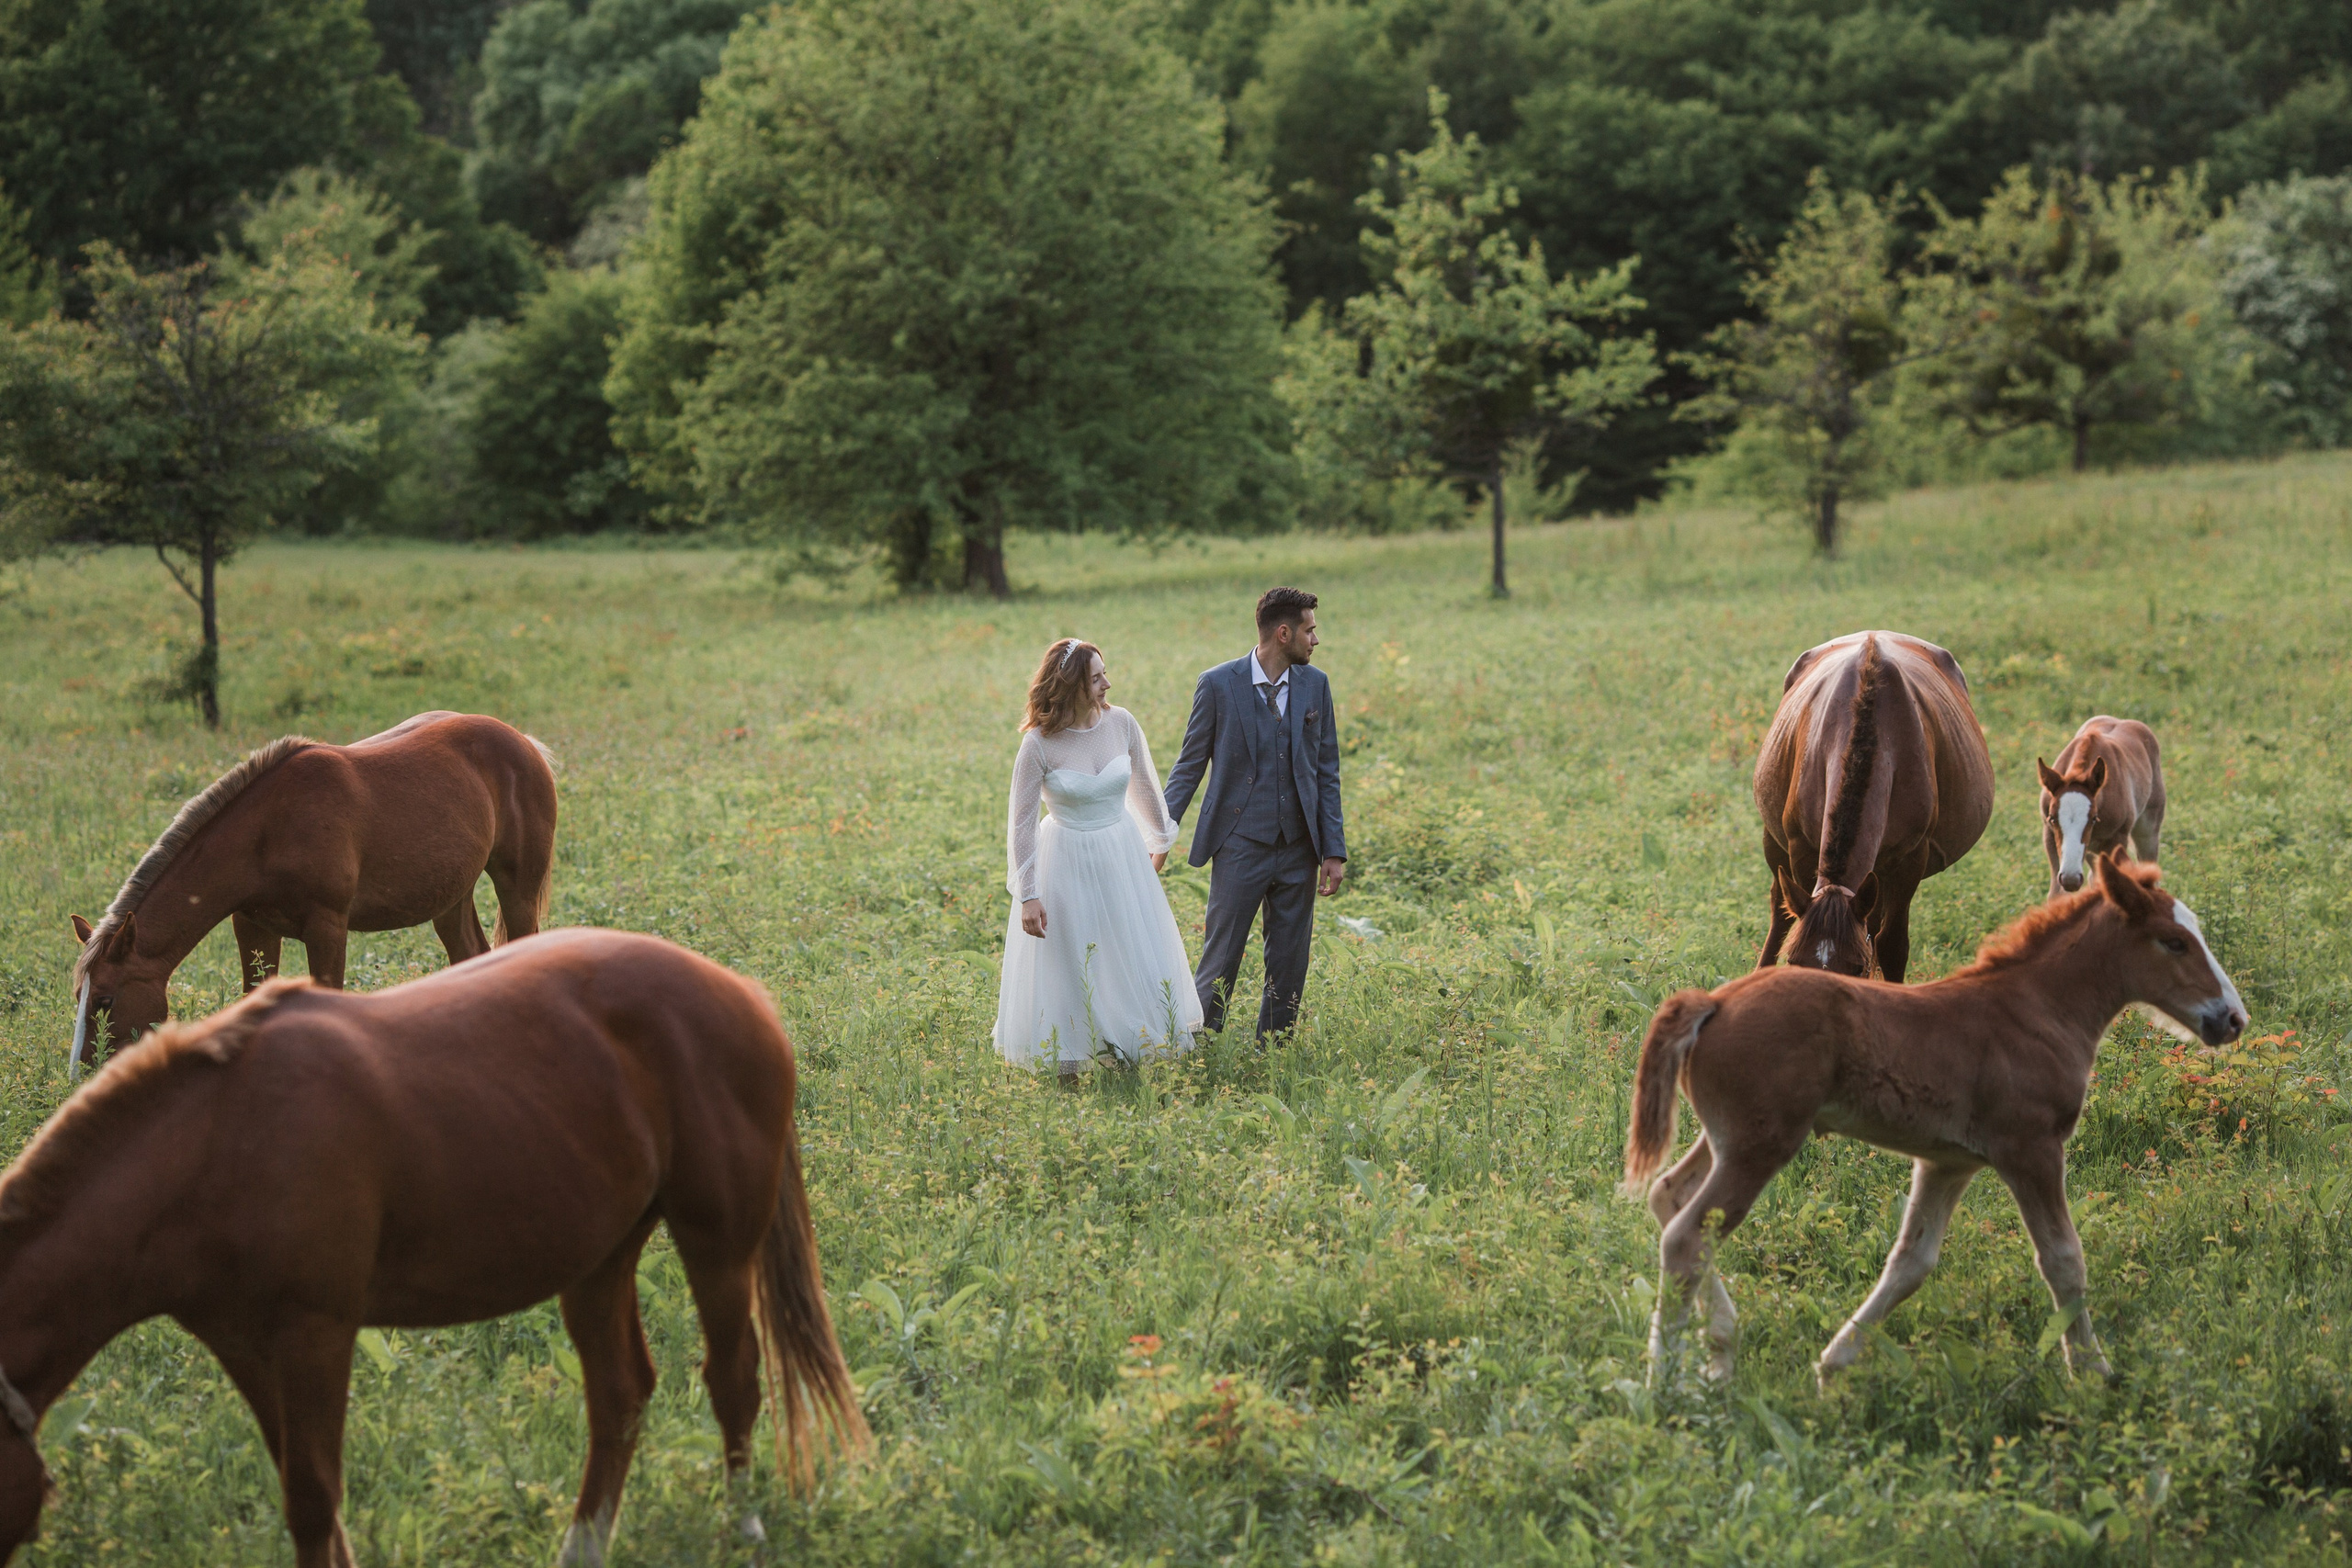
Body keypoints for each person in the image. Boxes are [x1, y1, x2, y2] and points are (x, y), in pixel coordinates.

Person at [994, 637, 1203, 1072]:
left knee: (1127, 946)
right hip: (1064, 857)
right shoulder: (1038, 744)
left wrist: (1159, 842)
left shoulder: (1121, 723)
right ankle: (1075, 1053)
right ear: (1071, 685)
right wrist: (1029, 894)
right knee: (1073, 956)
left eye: (1105, 673)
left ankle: (1134, 1044)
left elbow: (1145, 787)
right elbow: (1021, 824)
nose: (1107, 684)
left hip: (1121, 852)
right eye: (1096, 678)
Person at [1163, 587, 1346, 1042]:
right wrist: (1159, 833)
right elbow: (1189, 766)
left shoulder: (1315, 684)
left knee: (1290, 960)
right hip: (1239, 843)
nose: (1315, 640)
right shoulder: (1217, 684)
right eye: (1309, 630)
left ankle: (1275, 1051)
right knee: (1222, 956)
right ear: (1283, 633)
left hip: (1300, 847)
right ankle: (1200, 1049)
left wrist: (1333, 850)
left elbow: (1327, 770)